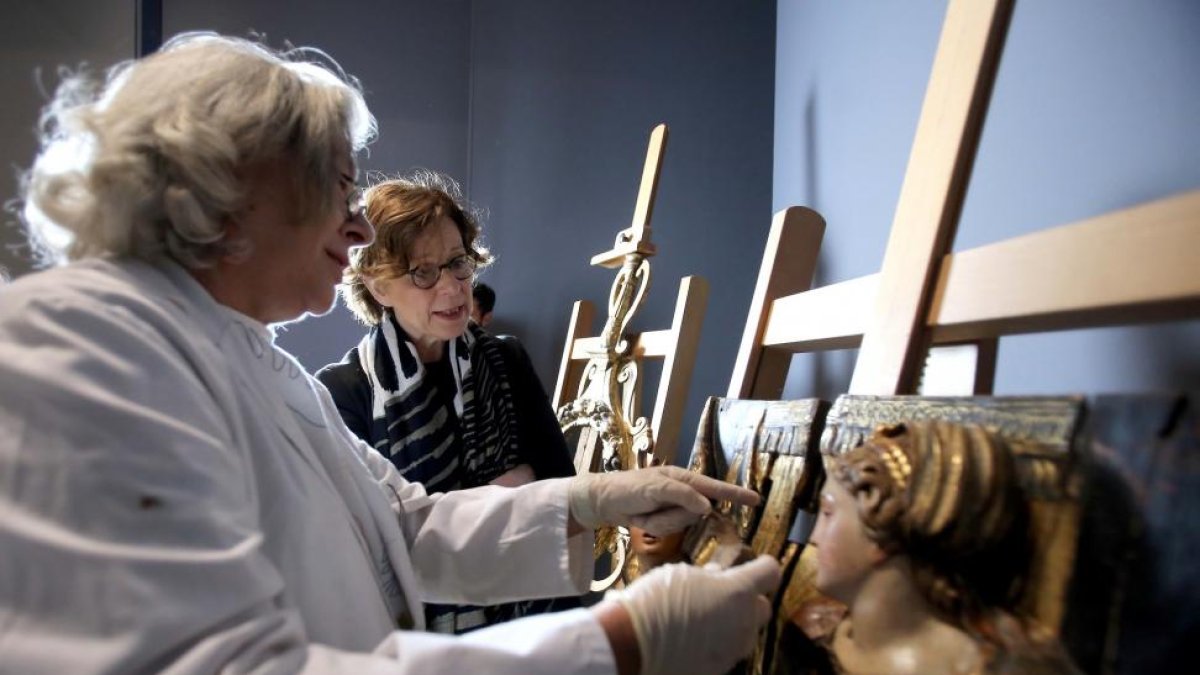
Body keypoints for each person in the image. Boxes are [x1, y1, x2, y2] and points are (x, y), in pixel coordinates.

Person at [0, 33, 781, 674]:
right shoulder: (78, 343)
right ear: (235, 187)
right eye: (340, 191)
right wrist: (617, 643)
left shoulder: (257, 363)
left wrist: (593, 498)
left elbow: (404, 528)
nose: (360, 230)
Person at [317, 170, 578, 633]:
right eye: (423, 272)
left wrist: (457, 506)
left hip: (531, 628)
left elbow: (561, 498)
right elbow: (373, 550)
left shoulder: (506, 361)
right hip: (413, 643)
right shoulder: (345, 391)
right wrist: (509, 492)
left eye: (458, 262)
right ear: (378, 286)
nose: (454, 287)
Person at [806, 421, 1079, 674]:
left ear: (882, 534)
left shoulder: (974, 666)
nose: (814, 537)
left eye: (828, 513)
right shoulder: (822, 634)